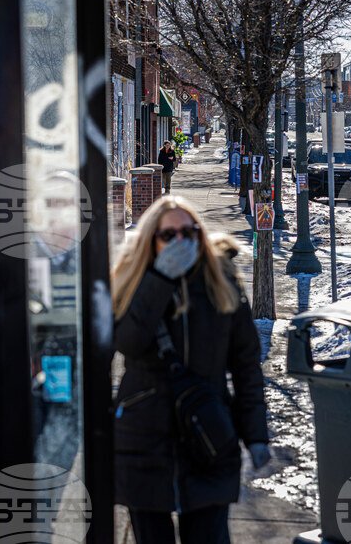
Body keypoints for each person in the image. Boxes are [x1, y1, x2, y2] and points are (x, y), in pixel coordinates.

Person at [111, 196, 270, 544]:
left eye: (189, 231)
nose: (180, 241)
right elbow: (127, 342)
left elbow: (246, 366)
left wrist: (255, 433)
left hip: (208, 434)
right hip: (144, 439)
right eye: (168, 235)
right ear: (151, 239)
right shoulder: (135, 281)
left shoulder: (220, 281)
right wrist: (159, 279)